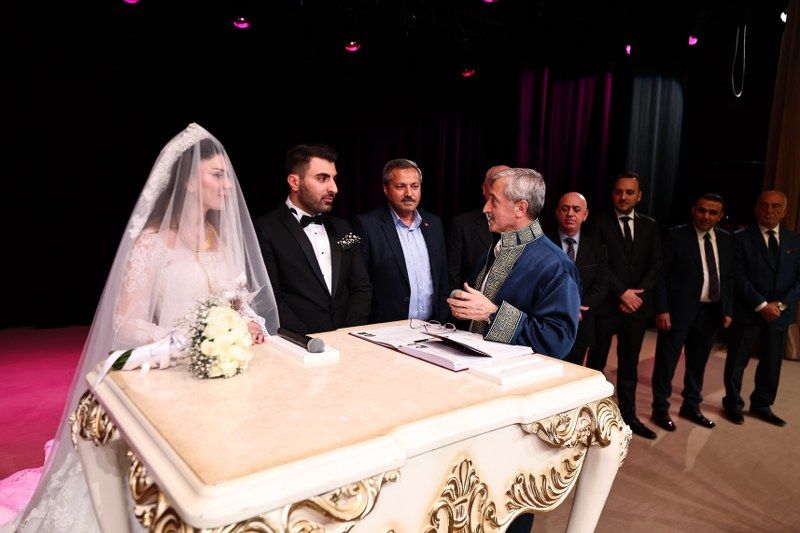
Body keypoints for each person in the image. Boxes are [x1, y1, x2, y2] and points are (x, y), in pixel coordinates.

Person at [0, 123, 280, 531]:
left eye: (227, 176)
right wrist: (185, 339)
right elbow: (124, 321)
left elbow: (237, 301)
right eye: (217, 175)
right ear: (189, 181)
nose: (227, 186)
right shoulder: (152, 241)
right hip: (169, 372)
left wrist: (249, 323)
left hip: (218, 372)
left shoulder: (220, 238)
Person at [447, 168, 581, 358]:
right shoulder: (495, 250)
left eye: (494, 201)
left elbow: (557, 340)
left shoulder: (557, 265)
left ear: (521, 208)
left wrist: (492, 313)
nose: (486, 208)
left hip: (513, 373)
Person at [254, 144, 371, 334]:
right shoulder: (265, 229)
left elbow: (361, 287)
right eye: (322, 178)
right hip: (297, 343)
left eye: (333, 179)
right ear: (294, 182)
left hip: (347, 340)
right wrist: (310, 341)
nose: (334, 188)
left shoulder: (343, 228)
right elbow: (271, 298)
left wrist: (347, 334)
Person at [586, 171, 662, 439]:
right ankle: (591, 418)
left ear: (639, 196)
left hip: (636, 309)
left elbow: (656, 264)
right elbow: (599, 264)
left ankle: (629, 416)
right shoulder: (598, 222)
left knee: (629, 366)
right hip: (606, 306)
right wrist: (622, 293)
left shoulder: (650, 226)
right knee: (596, 363)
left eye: (629, 192)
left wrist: (636, 296)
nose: (623, 196)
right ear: (612, 194)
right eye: (619, 191)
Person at [651, 194, 733, 432]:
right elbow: (661, 276)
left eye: (713, 212)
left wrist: (727, 309)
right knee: (667, 362)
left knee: (698, 363)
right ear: (693, 210)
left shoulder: (726, 239)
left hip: (710, 312)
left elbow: (729, 277)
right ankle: (660, 408)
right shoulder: (675, 235)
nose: (706, 216)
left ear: (720, 215)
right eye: (702, 210)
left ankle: (691, 405)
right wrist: (662, 309)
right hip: (677, 312)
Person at [723, 190, 800, 427]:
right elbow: (737, 276)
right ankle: (733, 404)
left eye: (776, 207)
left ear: (784, 212)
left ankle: (762, 404)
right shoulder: (740, 238)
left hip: (780, 315)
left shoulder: (795, 240)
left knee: (772, 362)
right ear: (756, 208)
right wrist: (762, 305)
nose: (769, 211)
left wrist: (781, 305)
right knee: (737, 362)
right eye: (764, 205)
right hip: (748, 311)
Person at [352, 159, 450, 323]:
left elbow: (442, 279)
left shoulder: (434, 223)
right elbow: (359, 285)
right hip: (387, 329)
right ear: (386, 188)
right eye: (400, 186)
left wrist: (442, 320)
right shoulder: (367, 225)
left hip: (431, 327)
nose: (409, 193)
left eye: (414, 186)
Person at [548, 192, 609, 365]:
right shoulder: (543, 243)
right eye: (565, 209)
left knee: (574, 373)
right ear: (557, 212)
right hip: (548, 320)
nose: (570, 214)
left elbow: (602, 284)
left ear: (585, 214)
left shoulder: (597, 249)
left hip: (582, 323)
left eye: (576, 209)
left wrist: (577, 308)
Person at [446, 165, 510, 291]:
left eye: (506, 185)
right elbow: (451, 278)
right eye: (494, 182)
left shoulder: (523, 230)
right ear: (484, 188)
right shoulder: (462, 225)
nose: (500, 189)